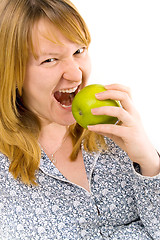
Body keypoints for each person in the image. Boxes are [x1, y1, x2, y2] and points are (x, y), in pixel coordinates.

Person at [0, 0, 159, 239]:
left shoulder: (117, 133)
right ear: (12, 71)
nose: (76, 73)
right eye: (49, 60)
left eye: (78, 51)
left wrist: (149, 163)